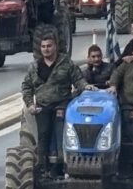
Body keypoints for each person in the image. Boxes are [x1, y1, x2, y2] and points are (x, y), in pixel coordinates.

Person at [22, 35, 90, 175]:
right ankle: (42, 165)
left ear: (55, 47)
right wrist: (30, 104)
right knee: (43, 134)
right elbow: (27, 87)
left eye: (49, 46)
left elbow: (78, 79)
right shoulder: (34, 67)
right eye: (43, 47)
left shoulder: (66, 63)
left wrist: (86, 86)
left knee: (61, 133)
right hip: (42, 105)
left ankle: (60, 164)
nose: (46, 49)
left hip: (62, 103)